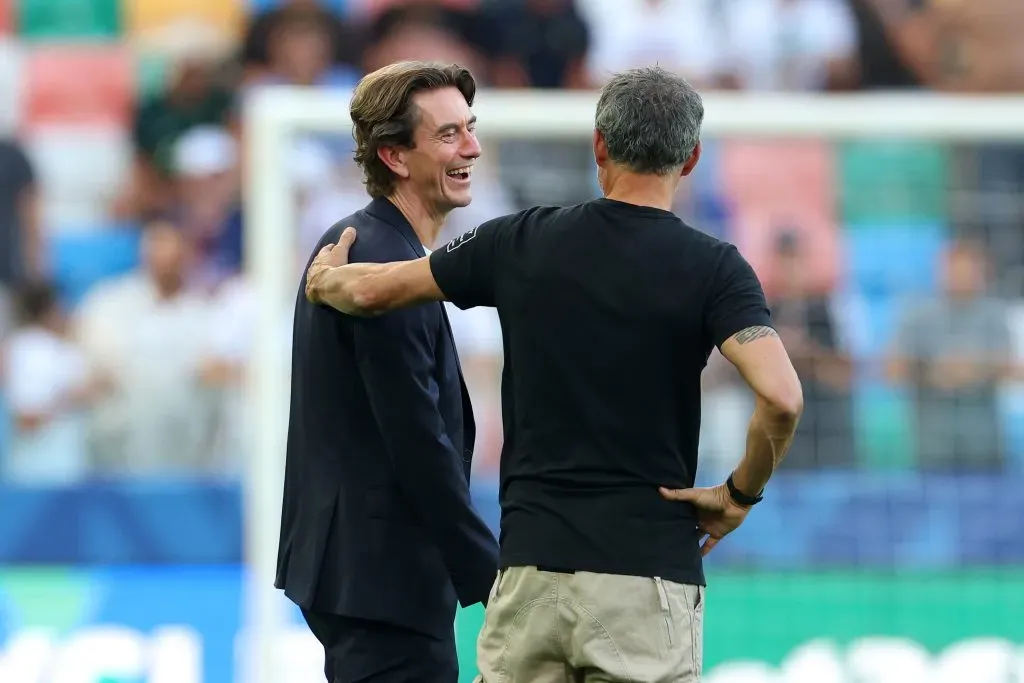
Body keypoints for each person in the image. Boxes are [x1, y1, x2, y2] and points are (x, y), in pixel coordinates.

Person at [306, 66, 804, 682]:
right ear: (692, 157)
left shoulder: (521, 240)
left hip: (531, 575)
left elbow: (381, 288)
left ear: (599, 144)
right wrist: (737, 496)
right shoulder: (717, 269)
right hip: (644, 580)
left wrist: (326, 280)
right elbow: (781, 398)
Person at [276, 61, 500, 683]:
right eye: (450, 134)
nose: (471, 148)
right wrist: (486, 572)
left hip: (374, 575)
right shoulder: (372, 258)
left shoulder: (379, 250)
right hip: (382, 579)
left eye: (470, 129)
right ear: (395, 157)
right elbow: (414, 432)